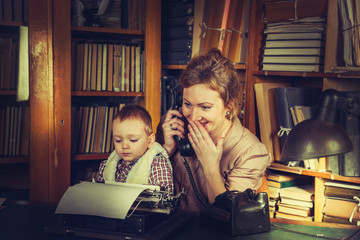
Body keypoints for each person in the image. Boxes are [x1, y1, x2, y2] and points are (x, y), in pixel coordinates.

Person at [156, 48, 271, 213]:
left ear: (228, 106)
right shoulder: (173, 127)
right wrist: (165, 151)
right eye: (187, 104)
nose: (193, 117)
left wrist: (210, 167)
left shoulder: (251, 152)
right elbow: (140, 190)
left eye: (205, 107)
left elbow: (228, 216)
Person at [95, 104, 174, 193]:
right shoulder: (106, 165)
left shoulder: (156, 163)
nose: (124, 146)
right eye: (118, 140)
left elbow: (164, 193)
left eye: (133, 140)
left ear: (150, 141)